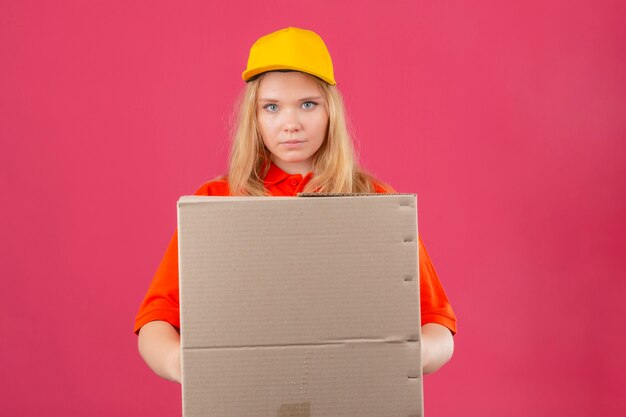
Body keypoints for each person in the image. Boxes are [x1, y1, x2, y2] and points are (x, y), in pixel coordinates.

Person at [135, 27, 456, 384]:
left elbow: (437, 324)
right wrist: (182, 363)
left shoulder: (376, 201)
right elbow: (156, 319)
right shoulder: (215, 202)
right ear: (254, 118)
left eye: (307, 104)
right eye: (272, 107)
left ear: (330, 111)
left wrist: (407, 355)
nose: (291, 124)